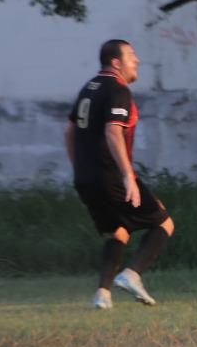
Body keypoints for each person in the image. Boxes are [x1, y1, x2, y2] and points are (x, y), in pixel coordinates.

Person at [65, 39, 174, 310]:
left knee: (118, 231)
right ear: (116, 62)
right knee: (164, 222)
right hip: (111, 175)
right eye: (131, 55)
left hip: (85, 179)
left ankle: (102, 293)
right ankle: (132, 274)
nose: (136, 61)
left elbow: (69, 131)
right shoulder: (117, 89)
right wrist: (127, 175)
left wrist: (79, 167)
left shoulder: (88, 88)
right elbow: (113, 131)